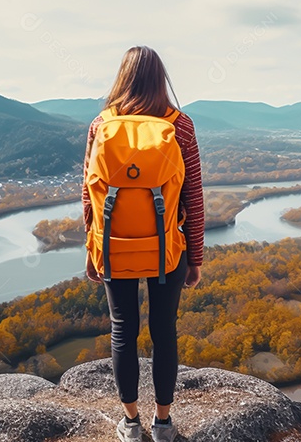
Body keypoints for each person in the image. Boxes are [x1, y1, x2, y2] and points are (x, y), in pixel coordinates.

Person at [82, 46, 204, 442]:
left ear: (123, 77)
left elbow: (89, 195)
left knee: (123, 329)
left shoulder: (101, 124)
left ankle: (131, 423)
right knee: (164, 330)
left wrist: (93, 250)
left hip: (114, 248)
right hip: (167, 249)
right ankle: (163, 423)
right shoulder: (179, 125)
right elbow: (193, 196)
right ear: (160, 78)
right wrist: (195, 257)